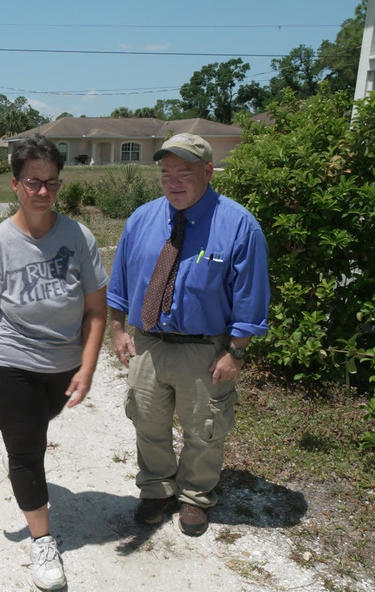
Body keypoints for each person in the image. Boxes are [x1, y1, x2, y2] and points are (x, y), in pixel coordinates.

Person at [0, 134, 108, 592]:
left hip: (60, 366)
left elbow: (97, 311)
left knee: (31, 431)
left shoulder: (79, 238)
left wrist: (87, 367)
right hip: (10, 361)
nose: (43, 192)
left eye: (52, 183)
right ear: (15, 185)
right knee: (26, 449)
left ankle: (18, 447)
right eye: (33, 183)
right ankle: (42, 539)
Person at [106, 132, 269, 537]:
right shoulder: (142, 219)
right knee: (147, 420)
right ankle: (157, 488)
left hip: (205, 350)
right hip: (149, 344)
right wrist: (117, 330)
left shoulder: (238, 225)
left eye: (185, 173)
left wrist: (236, 352)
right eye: (166, 173)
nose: (173, 182)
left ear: (208, 172)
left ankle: (195, 495)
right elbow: (121, 283)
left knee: (204, 428)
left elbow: (251, 295)